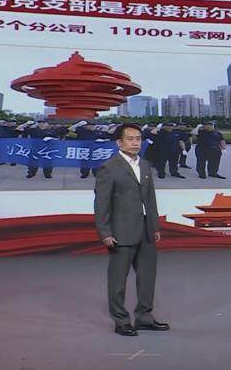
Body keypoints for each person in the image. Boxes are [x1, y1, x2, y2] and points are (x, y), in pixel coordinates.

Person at [93, 123, 169, 337]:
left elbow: (150, 198)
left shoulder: (144, 165)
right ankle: (121, 320)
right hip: (121, 231)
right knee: (118, 280)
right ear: (119, 142)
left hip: (146, 229)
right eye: (130, 139)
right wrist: (105, 232)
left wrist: (154, 226)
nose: (135, 143)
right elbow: (101, 204)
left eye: (138, 139)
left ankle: (144, 317)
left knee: (147, 277)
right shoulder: (109, 167)